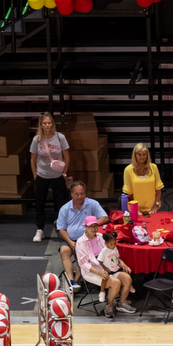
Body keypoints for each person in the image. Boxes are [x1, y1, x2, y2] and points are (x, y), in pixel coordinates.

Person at [76, 217, 137, 314]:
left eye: (95, 226)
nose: (93, 228)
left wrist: (120, 262)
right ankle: (109, 305)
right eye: (91, 226)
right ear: (86, 227)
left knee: (127, 278)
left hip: (108, 268)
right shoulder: (81, 242)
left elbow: (111, 253)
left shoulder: (101, 237)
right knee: (115, 282)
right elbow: (84, 264)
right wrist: (99, 273)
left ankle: (122, 303)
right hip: (92, 271)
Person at [28, 114, 70, 242]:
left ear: (53, 124)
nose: (47, 125)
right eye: (45, 123)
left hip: (57, 175)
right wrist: (35, 174)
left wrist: (65, 173)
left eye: (49, 123)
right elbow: (33, 158)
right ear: (41, 125)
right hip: (42, 175)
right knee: (40, 203)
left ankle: (60, 227)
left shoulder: (60, 137)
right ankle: (40, 229)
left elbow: (67, 156)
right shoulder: (37, 139)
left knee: (60, 202)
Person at [53, 181, 105, 284]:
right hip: (70, 239)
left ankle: (77, 282)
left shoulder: (92, 204)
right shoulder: (64, 209)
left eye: (82, 193)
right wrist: (70, 242)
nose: (80, 196)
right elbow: (61, 229)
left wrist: (92, 224)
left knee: (81, 252)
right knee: (64, 251)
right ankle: (70, 280)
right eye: (76, 194)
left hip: (87, 239)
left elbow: (105, 217)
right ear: (71, 194)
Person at [121, 142, 164, 213]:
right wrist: (135, 209)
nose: (142, 157)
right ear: (135, 155)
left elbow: (158, 188)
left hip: (152, 209)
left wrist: (155, 206)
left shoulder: (154, 167)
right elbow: (129, 193)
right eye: (139, 155)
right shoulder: (128, 170)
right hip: (136, 210)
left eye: (144, 154)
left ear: (147, 155)